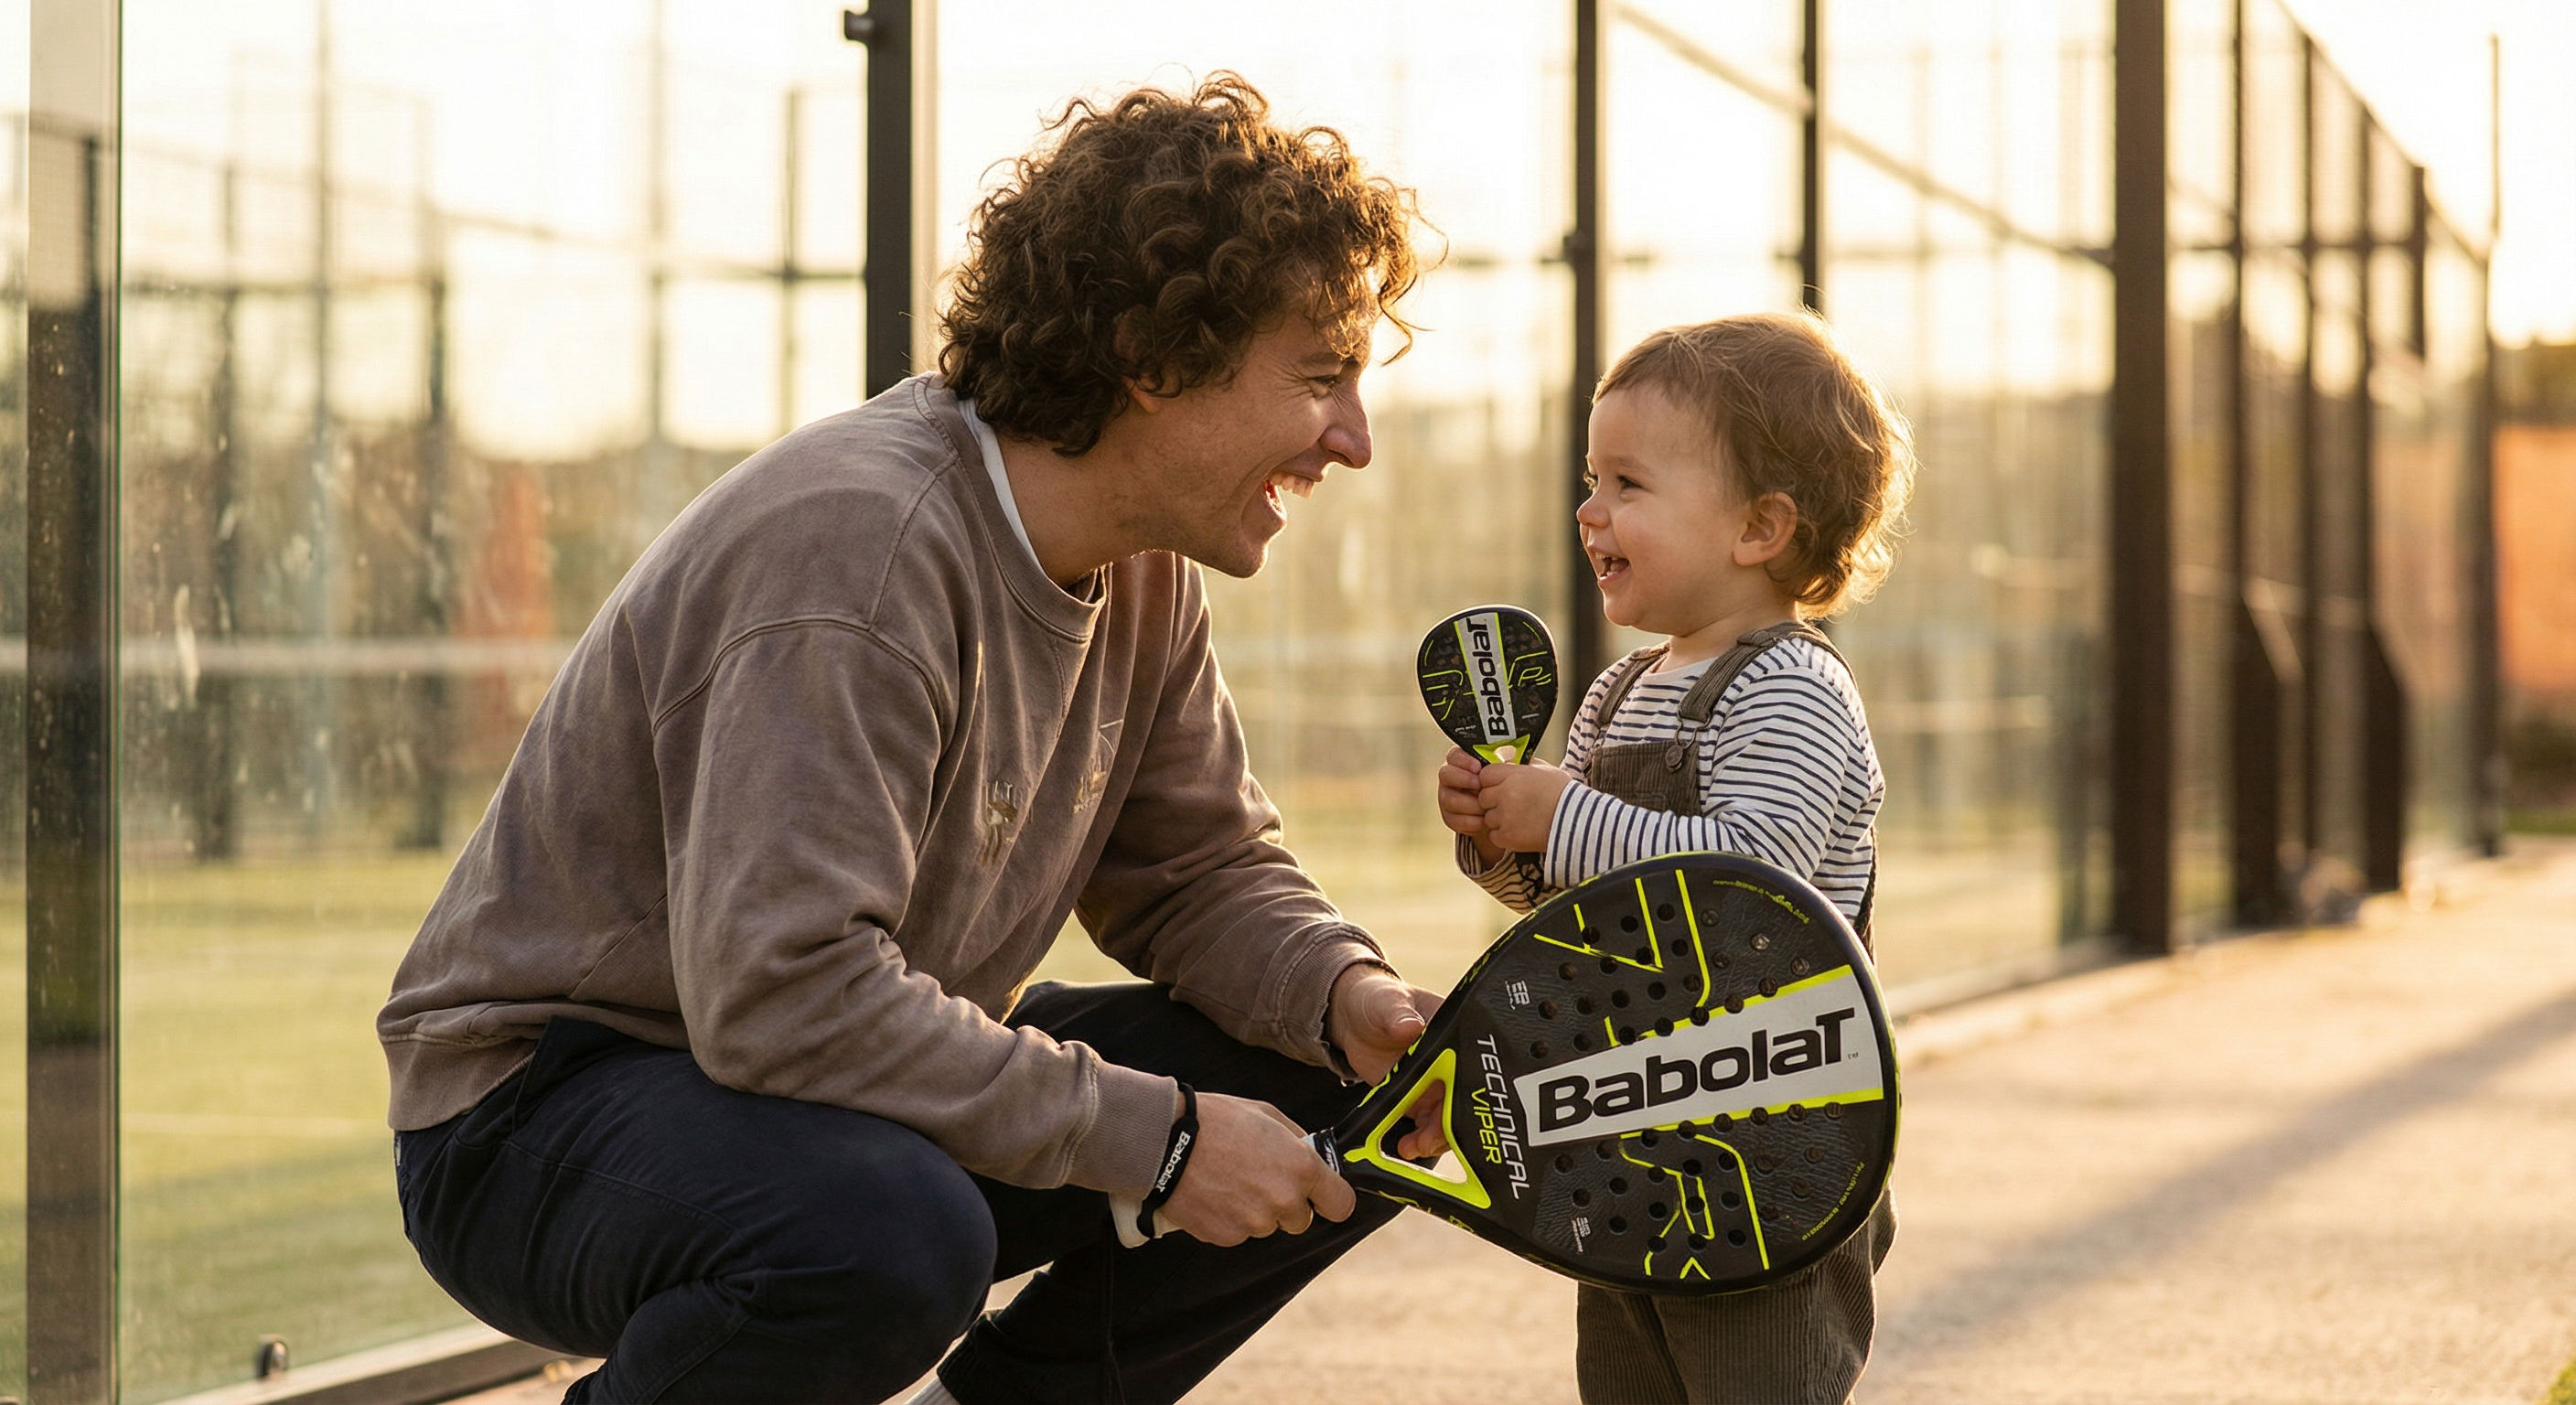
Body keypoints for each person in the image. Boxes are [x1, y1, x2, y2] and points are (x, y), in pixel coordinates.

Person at [380, 75, 1448, 1405]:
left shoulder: (1144, 568)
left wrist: (1345, 998)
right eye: (1319, 377)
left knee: (1366, 1110)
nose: (1352, 440)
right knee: (886, 1240)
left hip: (801, 1078)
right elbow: (784, 994)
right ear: (1156, 360)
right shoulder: (859, 551)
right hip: (542, 1111)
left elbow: (1201, 874)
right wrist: (1161, 1144)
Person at [1436, 313, 1916, 1404]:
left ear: (1758, 527)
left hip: (1769, 1143)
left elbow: (1756, 882)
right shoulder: (1615, 692)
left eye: (1627, 484)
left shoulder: (1792, 687)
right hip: (1621, 1128)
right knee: (1625, 1380)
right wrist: (1501, 840)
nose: (1587, 509)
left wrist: (1559, 814)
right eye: (1588, 477)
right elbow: (1578, 910)